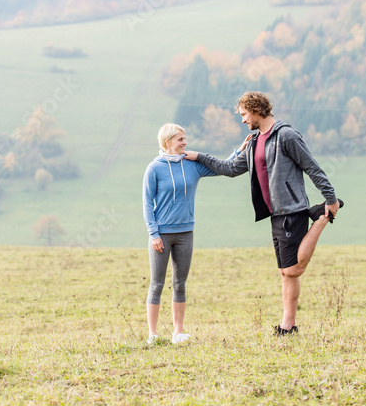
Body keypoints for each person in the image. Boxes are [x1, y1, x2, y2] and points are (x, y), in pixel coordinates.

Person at [183, 91, 343, 335]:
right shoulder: (255, 141)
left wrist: (330, 199)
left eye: (244, 114)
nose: (243, 120)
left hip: (292, 208)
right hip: (275, 213)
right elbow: (230, 168)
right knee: (284, 272)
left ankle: (320, 217)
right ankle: (288, 326)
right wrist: (199, 157)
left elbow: (312, 167)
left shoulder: (286, 136)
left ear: (256, 109)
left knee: (294, 269)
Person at [141, 123, 218, 345]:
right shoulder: (154, 168)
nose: (185, 143)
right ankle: (153, 335)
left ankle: (178, 333)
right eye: (180, 140)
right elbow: (147, 203)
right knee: (156, 284)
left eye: (185, 139)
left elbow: (222, 167)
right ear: (168, 143)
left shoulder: (191, 164)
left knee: (180, 283)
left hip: (186, 233)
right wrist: (153, 233)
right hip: (161, 235)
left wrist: (240, 152)